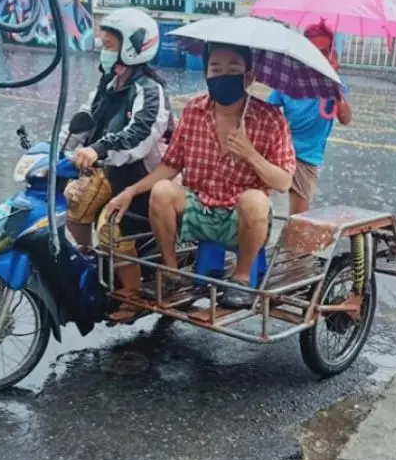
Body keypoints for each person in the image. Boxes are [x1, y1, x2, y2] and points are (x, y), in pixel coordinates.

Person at [105, 43, 296, 309]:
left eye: (233, 68)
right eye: (215, 68)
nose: (223, 75)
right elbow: (170, 165)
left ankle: (241, 280)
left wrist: (250, 154)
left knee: (255, 200)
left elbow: (284, 182)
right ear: (206, 73)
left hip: (241, 220)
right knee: (162, 190)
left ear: (249, 76)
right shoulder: (194, 110)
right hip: (200, 211)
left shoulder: (271, 118)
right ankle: (171, 274)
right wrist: (131, 191)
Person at [65, 7, 172, 316]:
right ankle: (95, 264)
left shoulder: (150, 90)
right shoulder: (109, 85)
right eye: (104, 45)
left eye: (109, 45)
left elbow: (139, 136)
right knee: (74, 210)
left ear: (133, 47)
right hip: (111, 171)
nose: (104, 51)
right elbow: (84, 122)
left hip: (144, 178)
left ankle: (132, 295)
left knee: (111, 229)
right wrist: (59, 149)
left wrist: (97, 150)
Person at [265, 23, 352, 215]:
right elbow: (267, 110)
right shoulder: (290, 79)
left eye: (323, 52)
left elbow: (345, 118)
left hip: (307, 156)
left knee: (299, 216)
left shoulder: (334, 85)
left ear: (331, 55)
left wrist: (334, 85)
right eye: (312, 51)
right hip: (281, 149)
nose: (317, 58)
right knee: (258, 200)